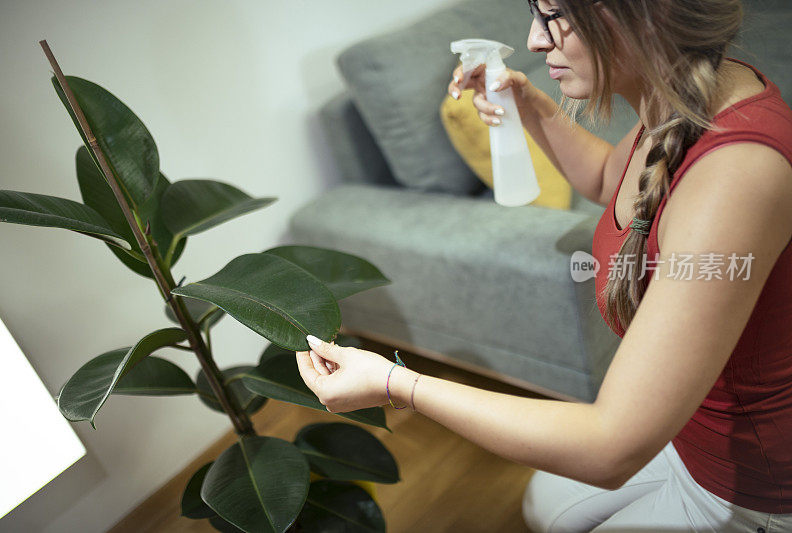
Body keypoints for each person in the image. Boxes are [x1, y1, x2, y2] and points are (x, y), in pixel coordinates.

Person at [296, 0, 792, 530]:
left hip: (753, 487)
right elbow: (607, 178)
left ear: (645, 17)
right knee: (543, 506)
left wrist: (398, 385)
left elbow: (609, 446)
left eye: (556, 16)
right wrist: (527, 102)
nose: (534, 40)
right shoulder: (684, 94)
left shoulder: (735, 174)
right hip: (683, 428)